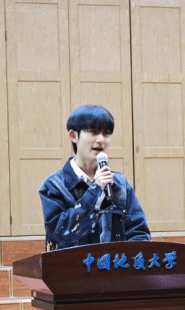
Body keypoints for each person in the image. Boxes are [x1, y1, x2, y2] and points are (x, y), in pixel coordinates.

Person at [39, 105, 151, 251]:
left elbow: (139, 233)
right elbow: (59, 234)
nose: (101, 140)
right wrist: (95, 189)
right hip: (73, 265)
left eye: (106, 133)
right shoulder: (54, 185)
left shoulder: (119, 184)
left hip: (114, 265)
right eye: (93, 132)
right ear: (73, 136)